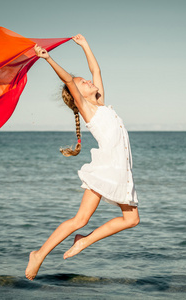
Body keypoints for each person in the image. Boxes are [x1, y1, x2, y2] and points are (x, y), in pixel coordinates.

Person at [25, 35, 140, 280]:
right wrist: (48, 59)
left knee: (131, 220)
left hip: (119, 171)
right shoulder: (88, 110)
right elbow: (68, 80)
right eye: (83, 84)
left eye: (87, 81)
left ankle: (83, 241)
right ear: (79, 95)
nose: (89, 81)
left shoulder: (102, 105)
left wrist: (85, 45)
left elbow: (95, 69)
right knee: (79, 219)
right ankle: (39, 255)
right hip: (105, 170)